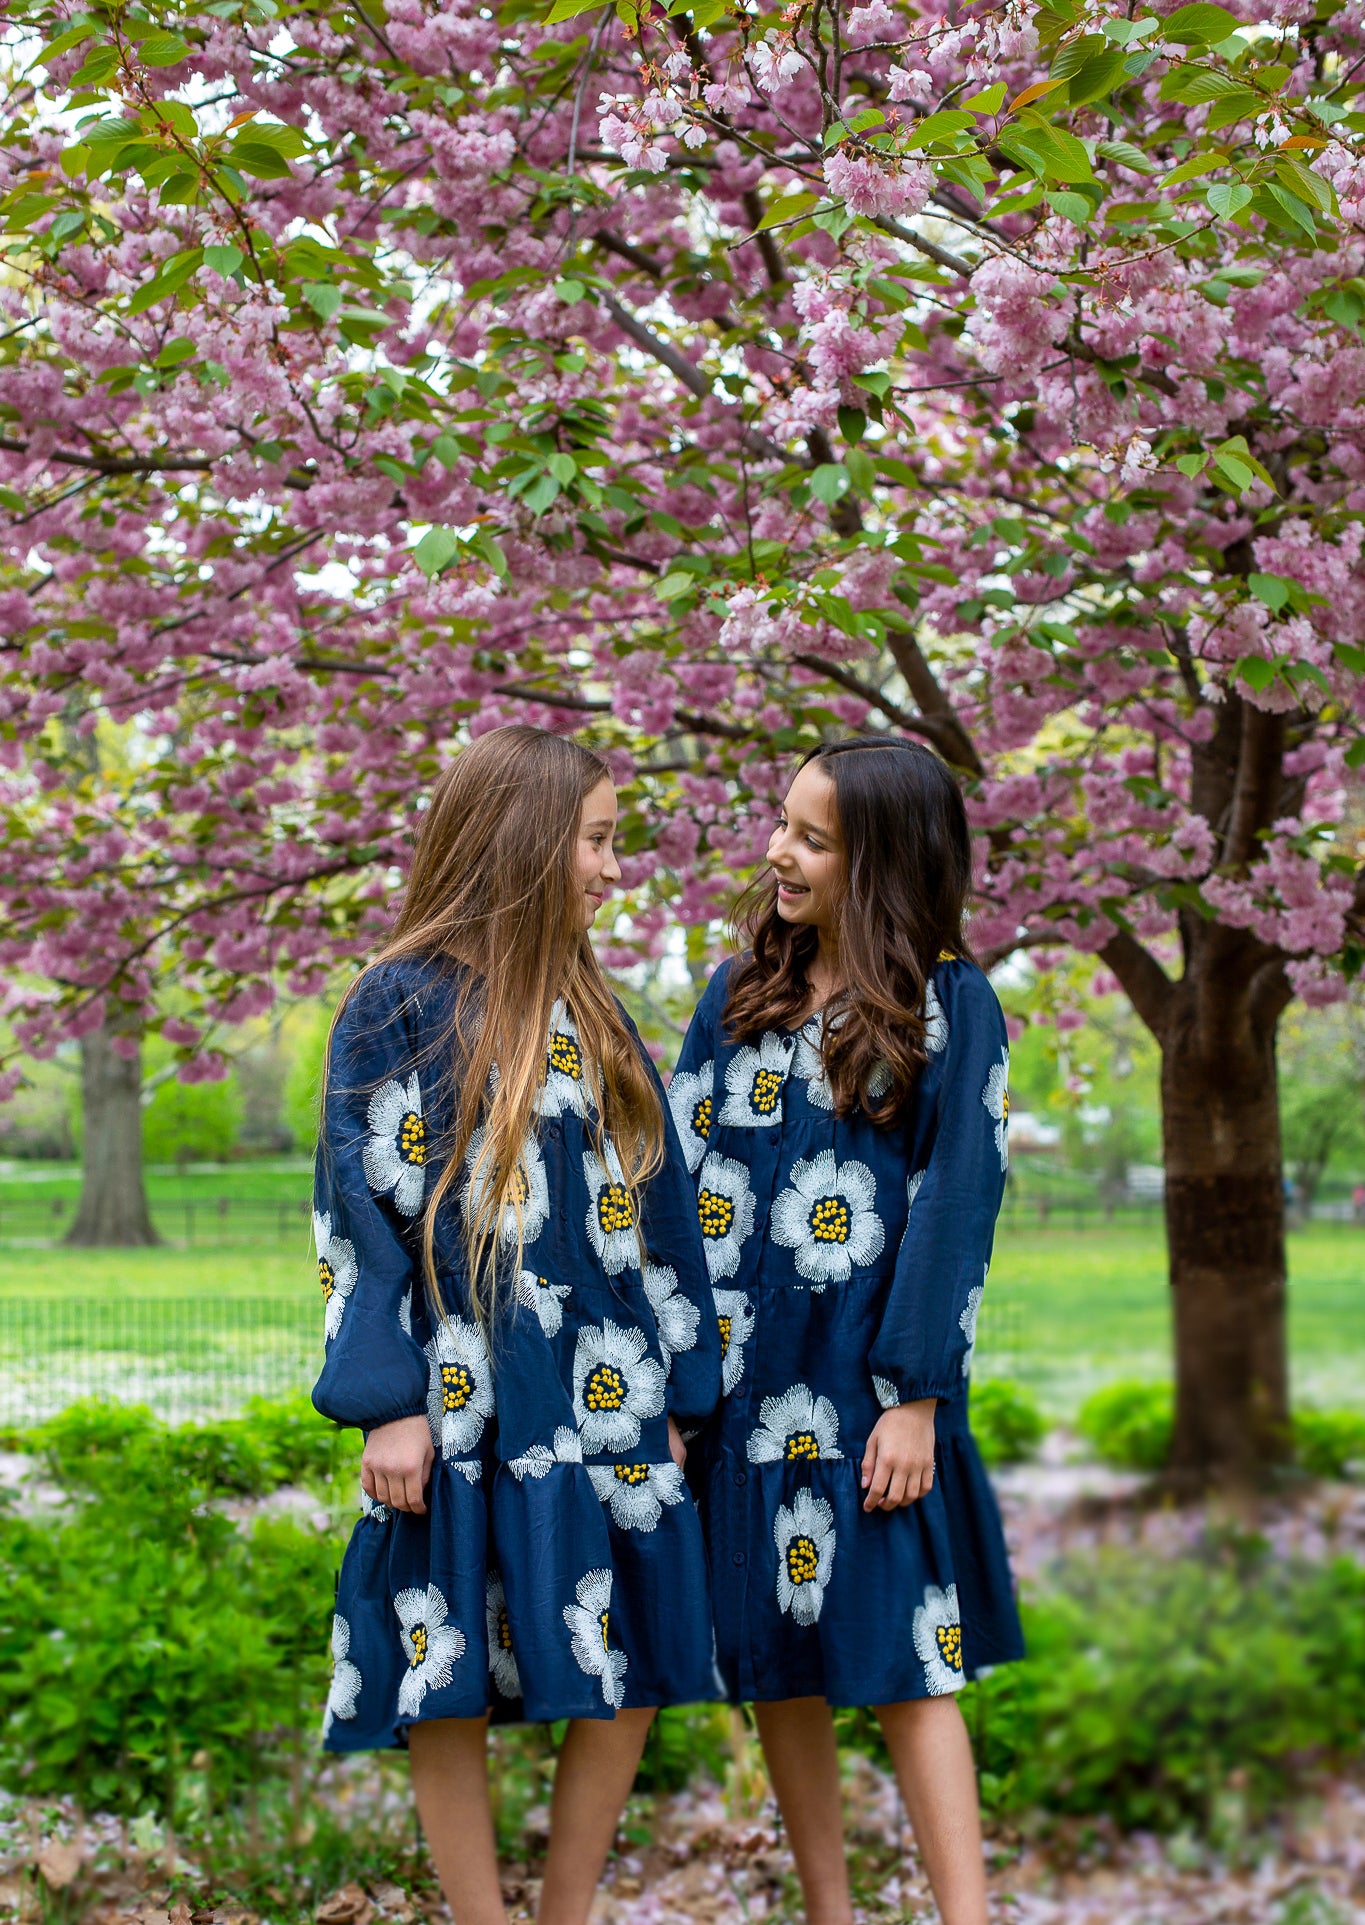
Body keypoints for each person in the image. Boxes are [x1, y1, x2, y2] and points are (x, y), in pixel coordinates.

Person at [311, 725, 722, 1925]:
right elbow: (356, 1210)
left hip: (613, 1396)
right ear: (530, 841)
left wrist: (679, 1389)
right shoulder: (397, 1001)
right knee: (446, 1656)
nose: (613, 866)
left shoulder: (595, 1008)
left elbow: (663, 1213)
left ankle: (562, 1912)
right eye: (596, 839)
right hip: (460, 1398)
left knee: (635, 1646)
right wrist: (386, 1401)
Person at [671, 736, 1022, 1925]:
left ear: (880, 861)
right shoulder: (734, 1000)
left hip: (872, 1399)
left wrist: (917, 1392)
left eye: (812, 837)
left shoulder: (950, 1004)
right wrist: (680, 1386)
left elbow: (958, 1200)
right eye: (782, 822)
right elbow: (676, 1193)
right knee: (782, 1660)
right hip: (742, 1391)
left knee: (910, 1666)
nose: (778, 849)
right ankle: (832, 1910)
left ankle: (965, 1916)